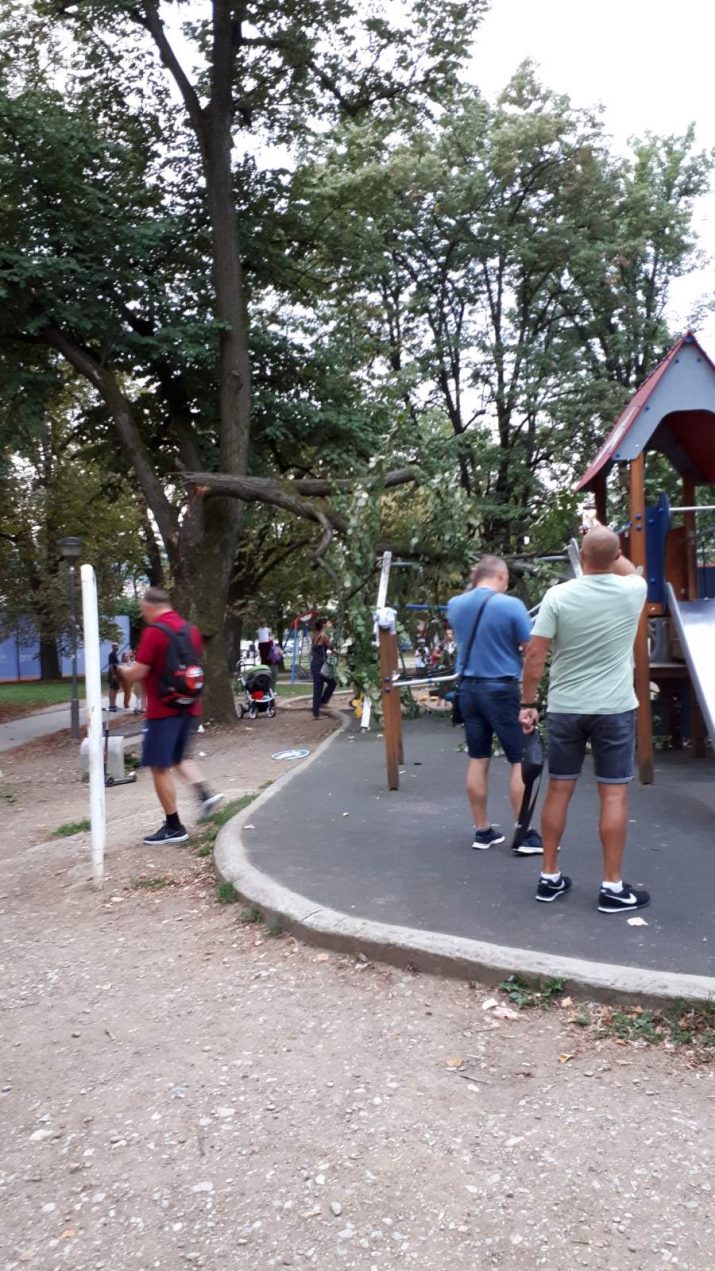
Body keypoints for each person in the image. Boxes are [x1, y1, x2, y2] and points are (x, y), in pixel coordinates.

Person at [519, 525, 649, 913]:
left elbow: (535, 655)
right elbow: (628, 568)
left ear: (583, 558)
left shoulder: (558, 596)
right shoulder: (633, 591)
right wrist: (614, 552)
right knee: (614, 794)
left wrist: (528, 702)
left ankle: (549, 877)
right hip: (614, 709)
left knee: (559, 789)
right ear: (616, 555)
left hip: (566, 707)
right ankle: (612, 887)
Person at [447, 555, 541, 855]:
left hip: (468, 690)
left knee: (478, 758)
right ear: (500, 576)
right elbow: (531, 650)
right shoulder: (511, 605)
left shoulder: (455, 604)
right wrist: (530, 698)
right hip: (501, 689)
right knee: (519, 759)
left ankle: (482, 830)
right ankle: (524, 835)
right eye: (506, 580)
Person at [116, 587, 223, 844]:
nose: (143, 615)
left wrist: (122, 670)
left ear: (150, 607)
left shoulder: (154, 632)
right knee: (180, 758)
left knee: (159, 766)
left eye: (143, 610)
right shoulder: (191, 630)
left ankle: (174, 826)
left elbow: (138, 673)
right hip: (189, 705)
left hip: (163, 710)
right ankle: (206, 795)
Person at [310, 617, 336, 719]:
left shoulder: (315, 635)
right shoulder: (324, 636)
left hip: (315, 663)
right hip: (320, 664)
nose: (329, 624)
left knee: (330, 683)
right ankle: (316, 712)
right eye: (328, 623)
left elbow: (313, 651)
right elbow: (331, 647)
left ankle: (321, 704)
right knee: (320, 687)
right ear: (324, 625)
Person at [107, 642, 121, 711]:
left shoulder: (115, 654)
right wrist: (113, 674)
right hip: (113, 674)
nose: (117, 647)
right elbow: (111, 665)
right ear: (112, 647)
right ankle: (111, 705)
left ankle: (114, 705)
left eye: (117, 646)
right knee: (112, 689)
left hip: (116, 674)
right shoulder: (111, 654)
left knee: (115, 689)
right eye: (115, 646)